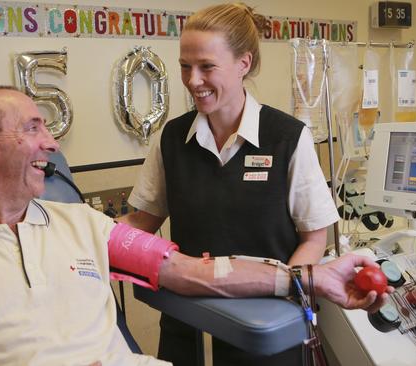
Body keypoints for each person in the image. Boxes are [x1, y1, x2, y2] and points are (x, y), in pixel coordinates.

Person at [0, 85, 387, 366]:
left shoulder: (86, 225)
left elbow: (196, 273)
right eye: (33, 127)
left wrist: (309, 279)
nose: (52, 142)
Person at [118, 3, 341, 365]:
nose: (193, 80)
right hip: (186, 325)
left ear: (244, 64)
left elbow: (314, 237)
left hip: (263, 332)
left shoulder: (286, 138)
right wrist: (82, 232)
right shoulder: (172, 139)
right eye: (185, 66)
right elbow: (142, 223)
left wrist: (277, 306)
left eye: (207, 67)